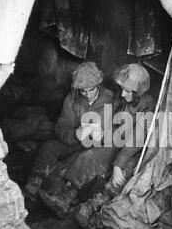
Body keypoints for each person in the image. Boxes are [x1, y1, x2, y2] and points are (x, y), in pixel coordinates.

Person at [24, 61, 117, 217]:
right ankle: (31, 190)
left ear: (99, 85)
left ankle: (64, 199)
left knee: (86, 157)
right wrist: (75, 134)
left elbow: (119, 134)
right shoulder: (71, 99)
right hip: (76, 143)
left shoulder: (111, 100)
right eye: (83, 91)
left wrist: (104, 135)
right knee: (50, 147)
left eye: (91, 90)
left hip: (97, 148)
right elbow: (61, 126)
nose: (87, 95)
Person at [75, 63, 156, 229]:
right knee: (92, 155)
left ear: (139, 91)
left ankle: (93, 206)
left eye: (128, 90)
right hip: (117, 145)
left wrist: (119, 164)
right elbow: (113, 123)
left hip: (133, 152)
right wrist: (102, 133)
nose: (123, 93)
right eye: (122, 89)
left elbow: (138, 138)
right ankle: (68, 193)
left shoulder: (148, 104)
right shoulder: (122, 99)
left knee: (122, 175)